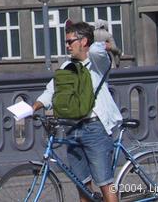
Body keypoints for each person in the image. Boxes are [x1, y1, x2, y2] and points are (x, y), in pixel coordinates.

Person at [28, 23, 120, 202]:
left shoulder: (97, 63)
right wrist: (33, 107)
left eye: (70, 41)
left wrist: (107, 44)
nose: (67, 45)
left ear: (84, 41)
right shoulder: (66, 67)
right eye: (66, 42)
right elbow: (50, 91)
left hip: (95, 127)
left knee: (105, 183)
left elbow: (95, 51)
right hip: (71, 129)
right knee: (81, 184)